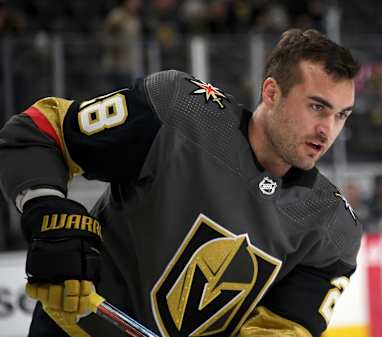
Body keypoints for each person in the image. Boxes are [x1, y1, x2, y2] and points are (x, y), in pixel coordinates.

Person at [0, 28, 362, 337]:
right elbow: (39, 132)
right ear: (271, 92)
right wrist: (46, 209)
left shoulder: (332, 229)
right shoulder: (179, 113)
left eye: (342, 115)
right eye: (317, 107)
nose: (327, 130)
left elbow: (283, 327)